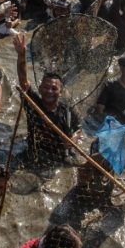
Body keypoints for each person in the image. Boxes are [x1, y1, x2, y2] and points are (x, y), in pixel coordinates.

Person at [14, 33, 81, 166]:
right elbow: (23, 80)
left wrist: (74, 138)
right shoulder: (33, 103)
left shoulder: (67, 110)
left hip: (60, 155)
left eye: (54, 88)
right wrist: (21, 55)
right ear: (39, 89)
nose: (49, 91)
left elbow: (79, 128)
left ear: (60, 92)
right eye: (46, 87)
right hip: (35, 152)